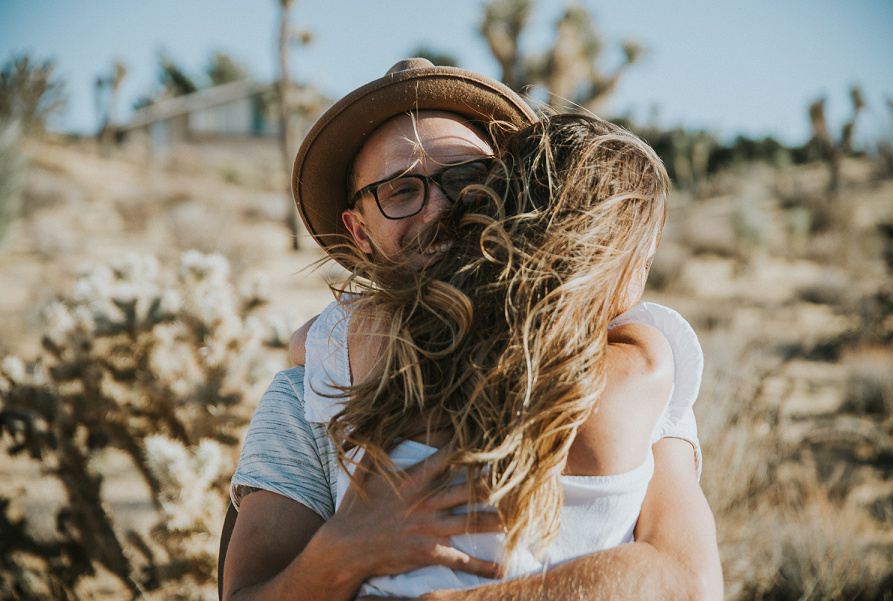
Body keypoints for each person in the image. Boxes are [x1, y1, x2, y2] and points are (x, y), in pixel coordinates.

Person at [222, 59, 722, 601]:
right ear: (358, 231)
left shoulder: (611, 359)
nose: (441, 207)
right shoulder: (310, 392)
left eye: (467, 178)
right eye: (400, 191)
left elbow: (689, 580)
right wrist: (337, 555)